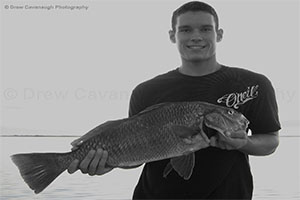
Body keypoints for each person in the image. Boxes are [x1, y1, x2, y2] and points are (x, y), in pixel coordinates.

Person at [67, 1, 281, 199]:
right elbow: (139, 150)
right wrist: (108, 162)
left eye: (206, 29)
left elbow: (270, 140)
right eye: (185, 29)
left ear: (219, 34)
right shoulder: (145, 90)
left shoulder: (253, 83)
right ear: (172, 35)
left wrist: (244, 143)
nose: (196, 36)